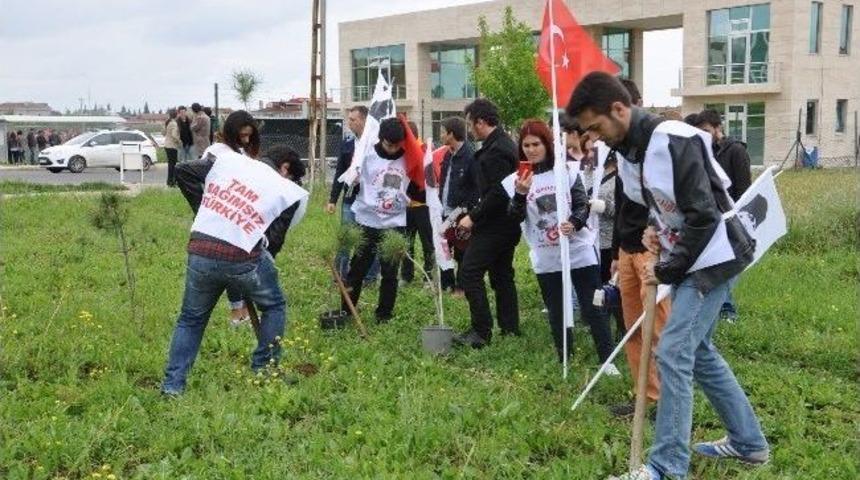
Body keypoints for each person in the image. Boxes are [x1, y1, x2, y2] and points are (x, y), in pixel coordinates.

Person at [568, 72, 768, 480]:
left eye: (595, 127)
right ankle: (749, 444)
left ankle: (666, 467)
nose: (594, 138)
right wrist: (654, 230)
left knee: (674, 350)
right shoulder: (628, 151)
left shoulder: (674, 139)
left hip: (716, 254)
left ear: (619, 109)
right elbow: (659, 207)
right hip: (689, 252)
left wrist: (668, 267)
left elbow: (704, 215)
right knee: (698, 351)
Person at [162, 110, 309, 396]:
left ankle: (172, 387)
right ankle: (265, 372)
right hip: (241, 255)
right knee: (274, 306)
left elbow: (184, 171)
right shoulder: (284, 188)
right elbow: (274, 242)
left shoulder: (229, 161)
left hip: (201, 246)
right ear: (286, 168)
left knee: (191, 319)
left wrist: (206, 211)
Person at [505, 119, 615, 365]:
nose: (531, 150)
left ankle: (607, 360)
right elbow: (514, 216)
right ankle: (565, 357)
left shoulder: (567, 170)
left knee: (592, 305)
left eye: (536, 144)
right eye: (526, 145)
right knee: (556, 309)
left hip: (578, 249)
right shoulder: (517, 179)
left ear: (547, 144)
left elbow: (581, 205)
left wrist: (574, 223)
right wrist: (520, 195)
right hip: (546, 255)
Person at [340, 116, 424, 323]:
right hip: (367, 221)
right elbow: (350, 183)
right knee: (357, 269)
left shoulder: (408, 157)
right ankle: (347, 310)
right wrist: (352, 179)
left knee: (390, 272)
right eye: (389, 145)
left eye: (397, 145)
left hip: (394, 223)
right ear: (380, 139)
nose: (393, 150)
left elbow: (418, 186)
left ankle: (384, 314)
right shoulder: (366, 156)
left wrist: (412, 195)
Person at [454, 99, 522, 348]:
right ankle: (510, 327)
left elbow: (499, 193)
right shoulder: (500, 145)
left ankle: (481, 331)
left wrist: (473, 216)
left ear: (481, 122)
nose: (470, 129)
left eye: (471, 124)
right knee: (502, 275)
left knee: (469, 273)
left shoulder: (498, 151)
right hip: (503, 224)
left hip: (496, 225)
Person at [689, 109, 752, 323]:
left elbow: (743, 187)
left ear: (718, 128)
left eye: (707, 131)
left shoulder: (735, 151)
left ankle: (728, 310)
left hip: (731, 216)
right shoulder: (703, 151)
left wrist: (735, 213)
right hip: (711, 218)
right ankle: (716, 309)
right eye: (700, 132)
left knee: (729, 266)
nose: (704, 136)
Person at [327, 106, 380, 284]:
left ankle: (369, 277)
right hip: (350, 199)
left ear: (364, 120)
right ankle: (340, 275)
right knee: (346, 238)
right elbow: (339, 174)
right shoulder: (348, 144)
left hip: (370, 201)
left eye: (353, 119)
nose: (349, 123)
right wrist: (333, 199)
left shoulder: (375, 145)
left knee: (368, 239)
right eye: (348, 119)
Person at [437, 116, 477, 295]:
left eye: (443, 132)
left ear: (451, 134)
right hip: (444, 211)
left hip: (461, 213)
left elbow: (476, 188)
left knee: (462, 250)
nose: (440, 135)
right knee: (443, 248)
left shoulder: (470, 156)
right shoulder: (447, 154)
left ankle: (461, 287)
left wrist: (464, 210)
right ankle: (447, 284)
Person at [401, 121, 435, 285]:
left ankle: (429, 275)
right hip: (406, 206)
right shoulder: (403, 152)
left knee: (427, 243)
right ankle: (406, 276)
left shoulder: (425, 151)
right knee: (407, 243)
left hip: (423, 207)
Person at [163, 109, 181, 187]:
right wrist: (179, 141)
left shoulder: (168, 122)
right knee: (173, 165)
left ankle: (169, 181)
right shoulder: (174, 123)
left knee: (170, 164)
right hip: (172, 146)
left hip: (167, 145)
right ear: (176, 115)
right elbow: (174, 135)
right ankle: (172, 182)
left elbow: (163, 133)